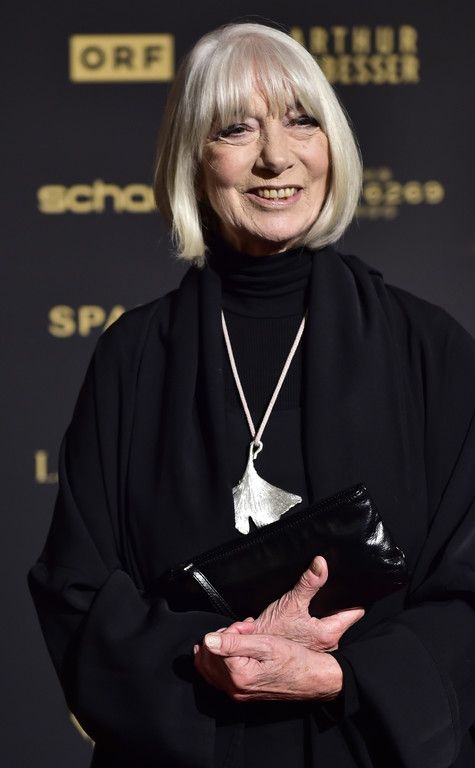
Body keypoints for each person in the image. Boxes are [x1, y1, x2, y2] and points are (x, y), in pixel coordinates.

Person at [28, 21, 475, 768]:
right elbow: (76, 589)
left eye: (301, 121)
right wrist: (211, 657)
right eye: (236, 128)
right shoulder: (132, 357)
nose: (276, 156)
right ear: (193, 159)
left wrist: (341, 678)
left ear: (332, 143)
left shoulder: (430, 349)